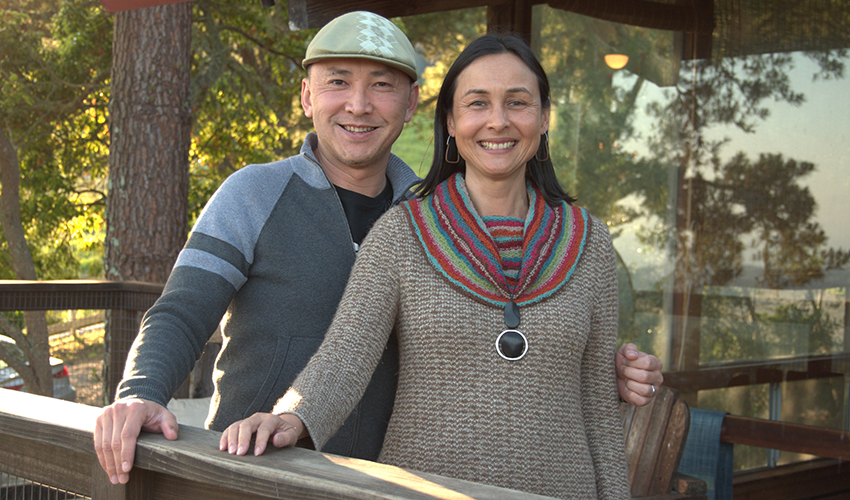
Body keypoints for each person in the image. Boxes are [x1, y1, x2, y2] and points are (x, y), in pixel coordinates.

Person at [94, 11, 661, 487]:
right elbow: (184, 310)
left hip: (378, 478)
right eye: (338, 81)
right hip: (267, 471)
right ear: (307, 94)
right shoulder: (263, 195)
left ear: (412, 104)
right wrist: (141, 392)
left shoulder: (433, 210)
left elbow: (526, 361)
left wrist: (581, 363)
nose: (359, 105)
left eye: (382, 85)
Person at [222, 32, 633, 499]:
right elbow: (345, 358)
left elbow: (599, 404)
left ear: (543, 119)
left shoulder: (589, 240)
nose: (498, 121)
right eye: (477, 104)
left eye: (517, 103)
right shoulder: (402, 233)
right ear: (452, 123)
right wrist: (288, 417)